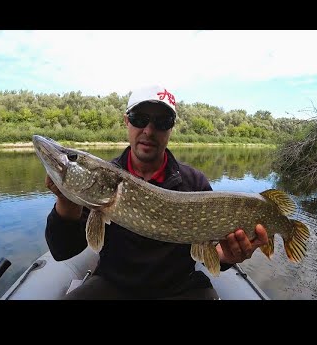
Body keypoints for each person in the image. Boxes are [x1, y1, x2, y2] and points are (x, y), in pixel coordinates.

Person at [44, 84, 269, 300]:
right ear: (126, 121)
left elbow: (213, 253)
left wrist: (228, 257)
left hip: (179, 288)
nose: (149, 131)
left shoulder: (194, 182)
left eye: (162, 122)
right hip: (114, 285)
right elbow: (62, 251)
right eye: (139, 119)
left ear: (171, 128)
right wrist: (66, 200)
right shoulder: (102, 180)